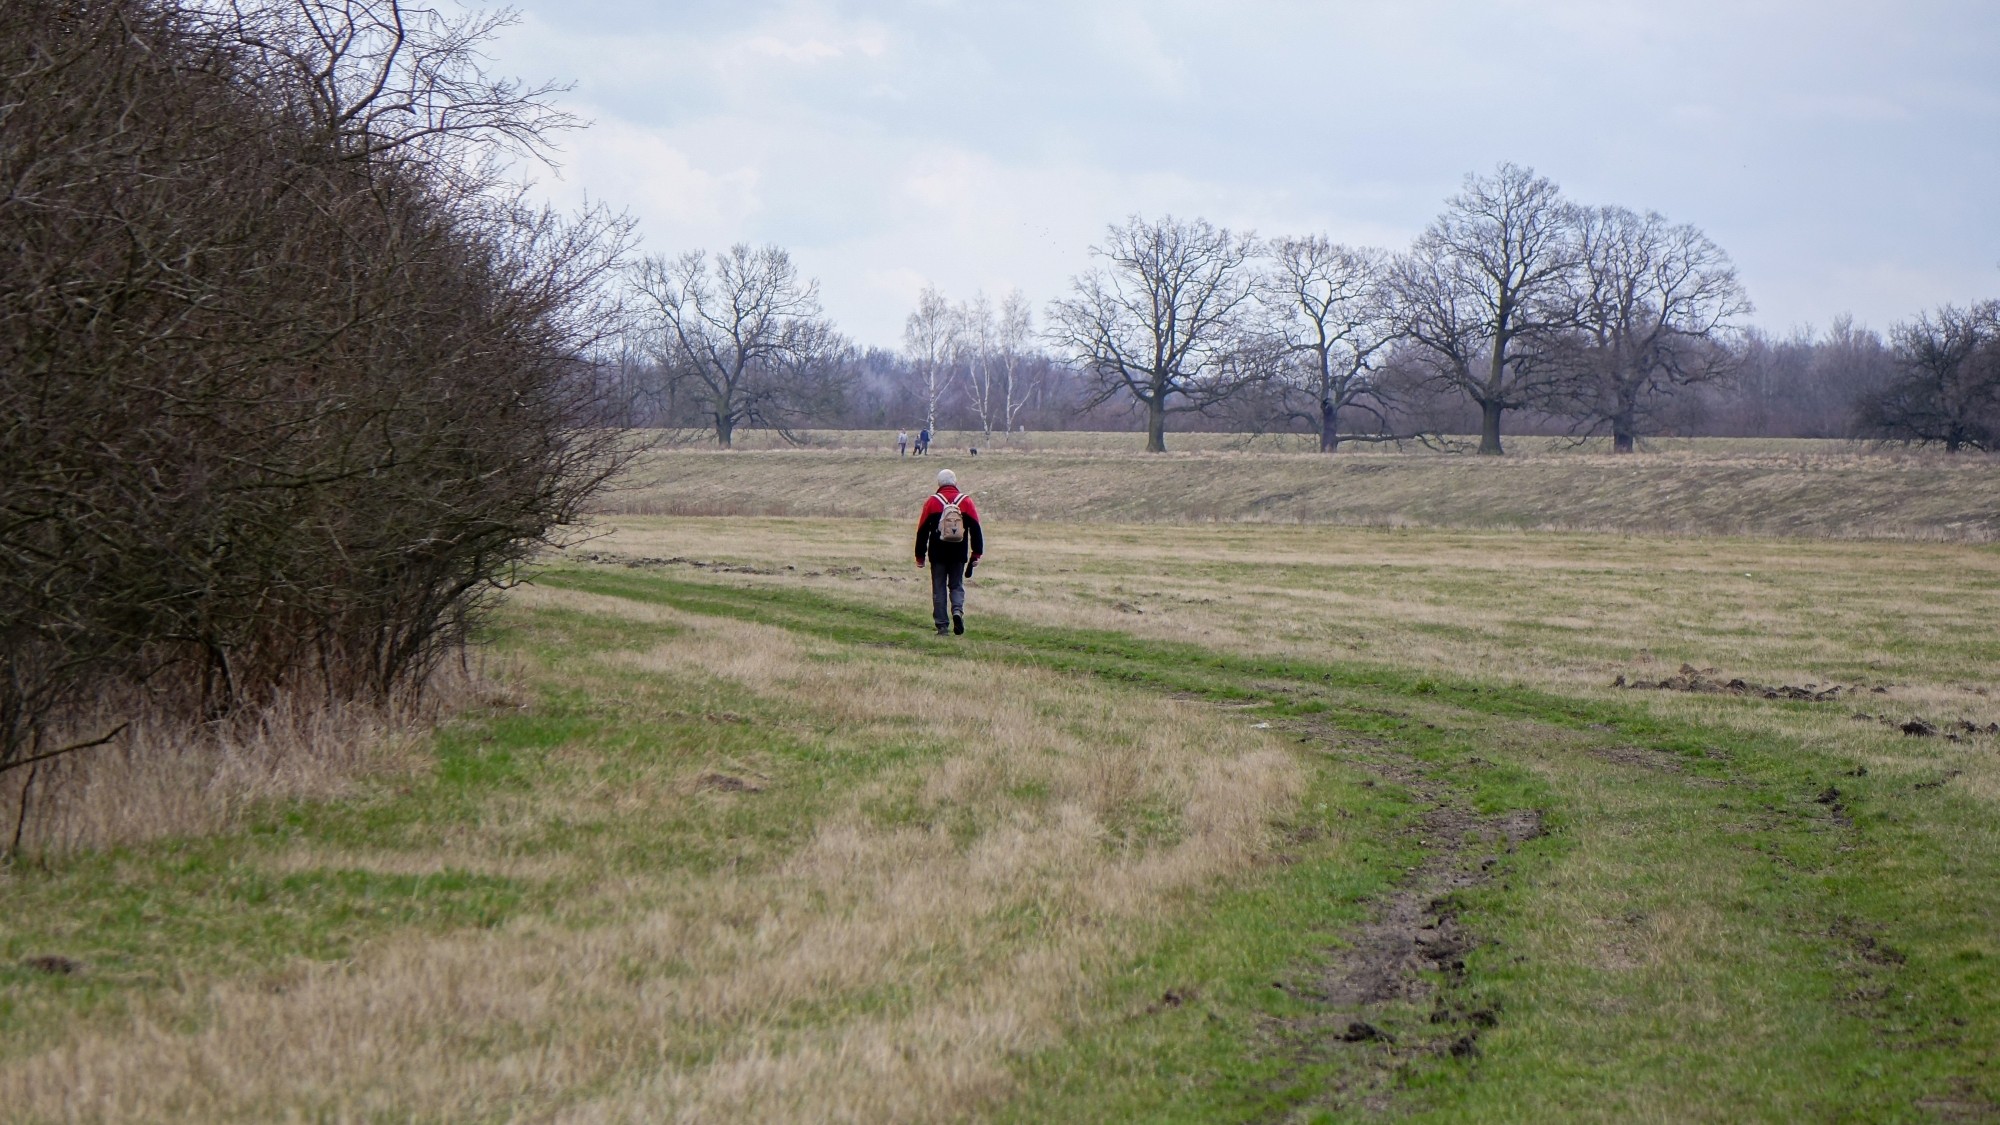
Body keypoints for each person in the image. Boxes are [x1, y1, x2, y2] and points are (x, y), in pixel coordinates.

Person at [914, 468, 983, 636]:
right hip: (958, 552)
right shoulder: (966, 501)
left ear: (939, 483)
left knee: (939, 588)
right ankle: (957, 611)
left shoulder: (932, 502)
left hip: (937, 552)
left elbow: (922, 530)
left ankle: (942, 626)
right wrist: (976, 553)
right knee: (956, 585)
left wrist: (920, 556)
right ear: (955, 482)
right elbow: (975, 528)